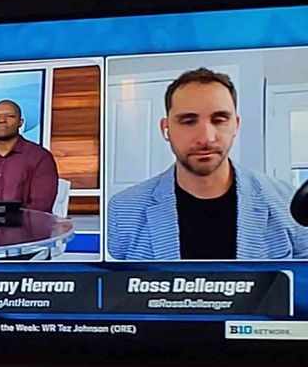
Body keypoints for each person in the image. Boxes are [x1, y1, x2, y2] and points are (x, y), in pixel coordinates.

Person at [106, 68, 308, 260]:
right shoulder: (124, 210)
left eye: (219, 120)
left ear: (235, 125)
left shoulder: (288, 205)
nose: (206, 138)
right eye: (188, 121)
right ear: (165, 128)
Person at [0, 99, 61, 212]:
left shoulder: (39, 157)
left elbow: (41, 205)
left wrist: (6, 218)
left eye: (10, 116)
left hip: (27, 227)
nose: (2, 120)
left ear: (20, 122)